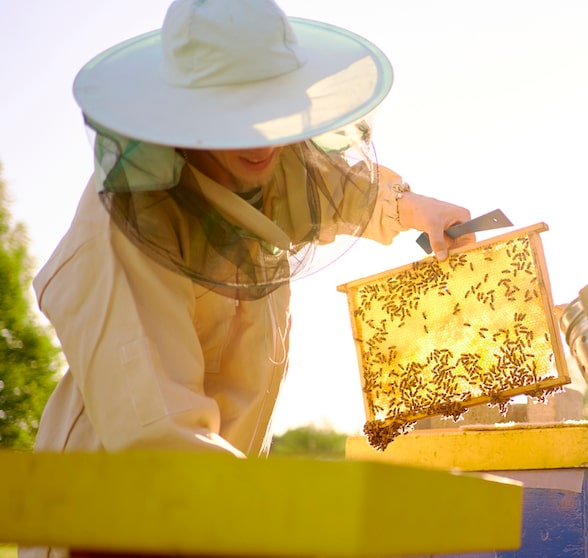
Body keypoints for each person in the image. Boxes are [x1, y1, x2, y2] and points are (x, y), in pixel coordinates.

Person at [28, 0, 474, 464]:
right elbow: (161, 436)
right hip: (116, 514)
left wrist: (409, 206)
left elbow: (335, 186)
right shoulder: (128, 225)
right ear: (183, 114)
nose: (263, 140)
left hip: (223, 507)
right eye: (239, 115)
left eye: (274, 108)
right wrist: (265, 518)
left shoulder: (267, 165)